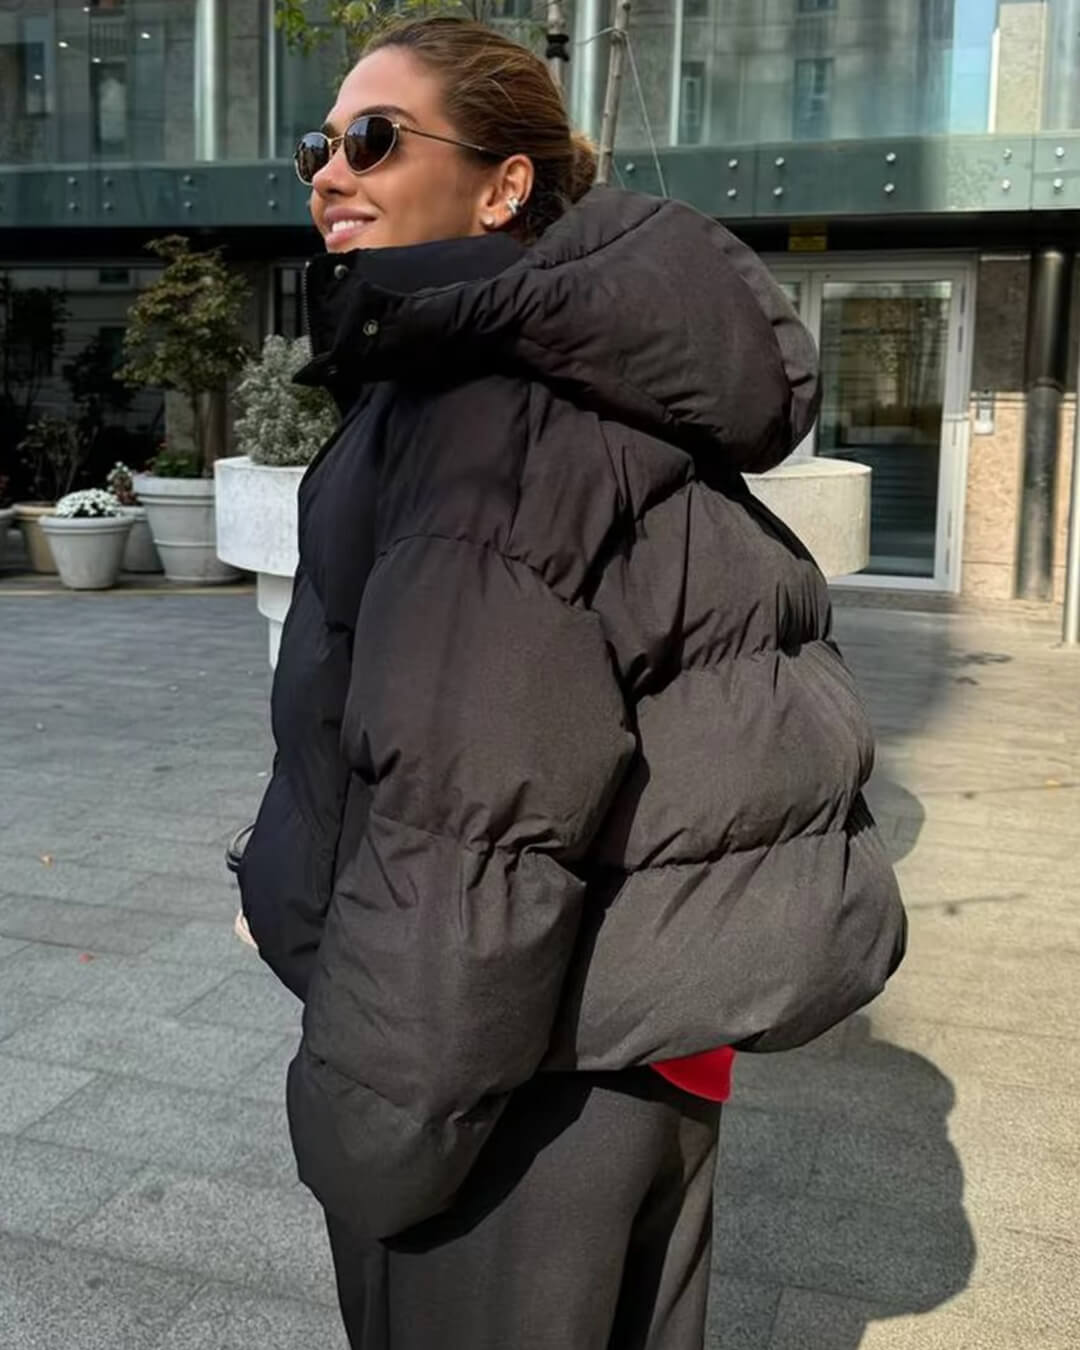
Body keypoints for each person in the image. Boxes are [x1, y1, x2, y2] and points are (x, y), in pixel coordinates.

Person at [238, 16, 906, 1350]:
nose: (330, 172)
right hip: (626, 1047)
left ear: (504, 188)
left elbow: (471, 813)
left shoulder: (490, 409)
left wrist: (373, 1127)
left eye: (375, 138)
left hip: (516, 1083)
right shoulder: (560, 369)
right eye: (321, 144)